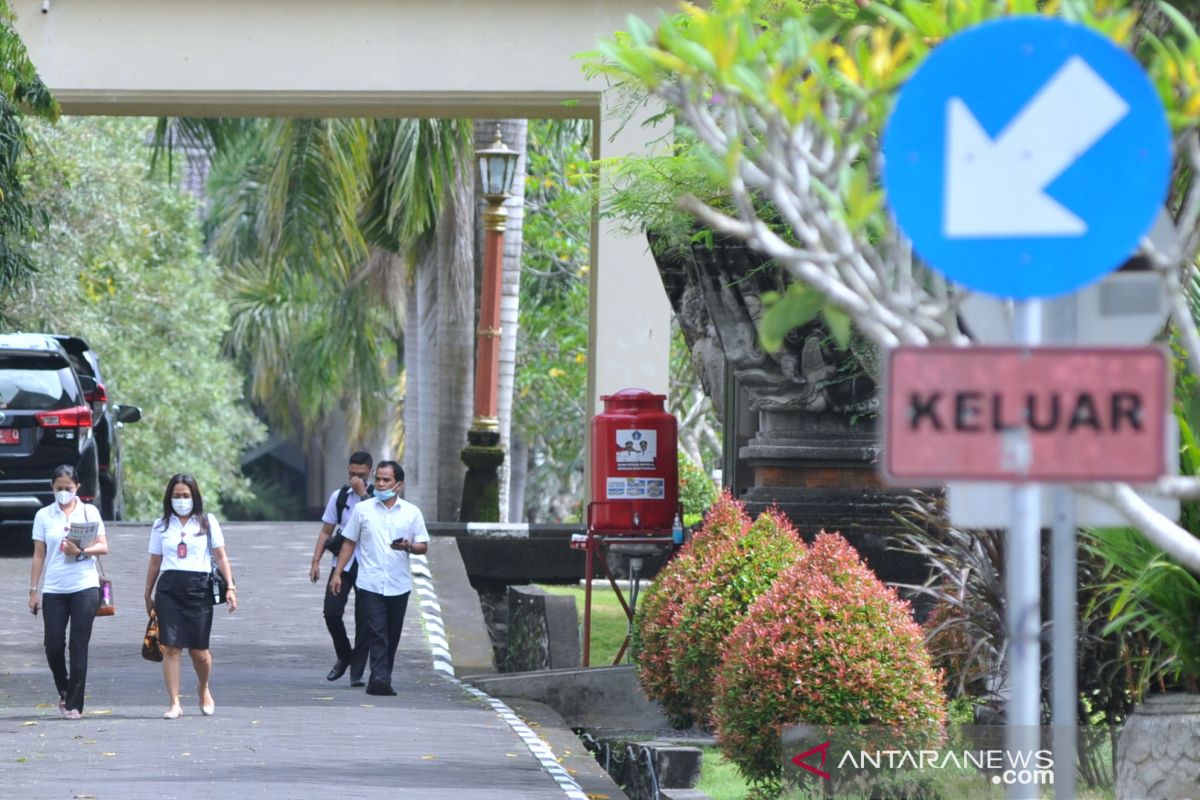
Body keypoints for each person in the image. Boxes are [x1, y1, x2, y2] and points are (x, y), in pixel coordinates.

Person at [144, 474, 237, 720]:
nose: (182, 500)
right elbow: (155, 561)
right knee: (171, 647)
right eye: (177, 496)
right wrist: (147, 591)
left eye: (186, 495)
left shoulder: (207, 522)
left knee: (200, 651)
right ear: (169, 498)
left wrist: (230, 587)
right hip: (169, 588)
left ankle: (203, 687)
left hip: (199, 588)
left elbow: (220, 556)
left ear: (194, 497)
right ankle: (174, 702)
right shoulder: (161, 525)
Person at [330, 460, 428, 696]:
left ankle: (383, 674)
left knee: (392, 634)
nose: (381, 484)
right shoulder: (363, 510)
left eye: (387, 480)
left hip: (399, 584)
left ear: (399, 485)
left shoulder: (411, 513)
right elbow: (349, 543)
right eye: (379, 479)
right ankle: (379, 678)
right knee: (376, 631)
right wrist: (337, 573)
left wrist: (408, 546)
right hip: (369, 583)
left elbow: (423, 545)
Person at [28, 465, 108, 720]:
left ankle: (75, 704)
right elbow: (39, 554)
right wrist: (33, 590)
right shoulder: (44, 515)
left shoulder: (89, 511)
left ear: (78, 488)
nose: (64, 493)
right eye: (59, 488)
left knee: (78, 645)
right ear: (52, 487)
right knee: (52, 644)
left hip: (84, 585)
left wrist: (81, 551)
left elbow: (103, 546)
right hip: (54, 587)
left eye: (69, 489)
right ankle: (64, 689)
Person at [308, 450, 372, 686]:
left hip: (367, 565)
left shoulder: (376, 497)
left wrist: (363, 494)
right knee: (332, 612)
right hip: (341, 565)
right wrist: (315, 561)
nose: (356, 479)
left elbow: (375, 522)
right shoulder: (340, 496)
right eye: (352, 474)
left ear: (370, 473)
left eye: (361, 475)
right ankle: (345, 655)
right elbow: (326, 530)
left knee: (364, 619)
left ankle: (357, 672)